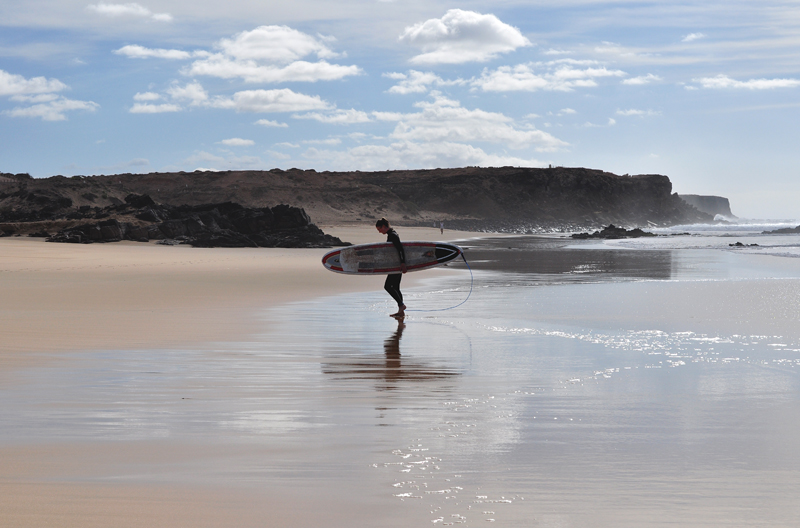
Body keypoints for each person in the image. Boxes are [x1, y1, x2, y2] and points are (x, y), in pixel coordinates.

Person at [375, 218, 407, 318]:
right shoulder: (392, 234)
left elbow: (400, 249)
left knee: (388, 286)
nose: (379, 232)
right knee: (396, 287)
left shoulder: (393, 235)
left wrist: (403, 263)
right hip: (396, 265)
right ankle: (400, 312)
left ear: (384, 226)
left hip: (396, 266)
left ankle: (401, 305)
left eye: (379, 229)